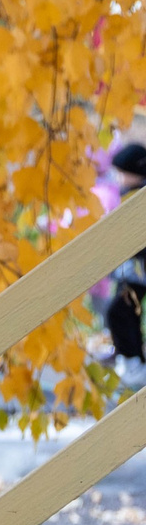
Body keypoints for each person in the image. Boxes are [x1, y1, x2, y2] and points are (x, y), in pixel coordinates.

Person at [105, 143, 146, 390]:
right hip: (136, 271)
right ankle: (135, 362)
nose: (121, 179)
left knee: (120, 311)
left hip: (138, 272)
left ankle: (134, 364)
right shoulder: (132, 193)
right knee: (124, 312)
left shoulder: (138, 195)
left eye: (124, 173)